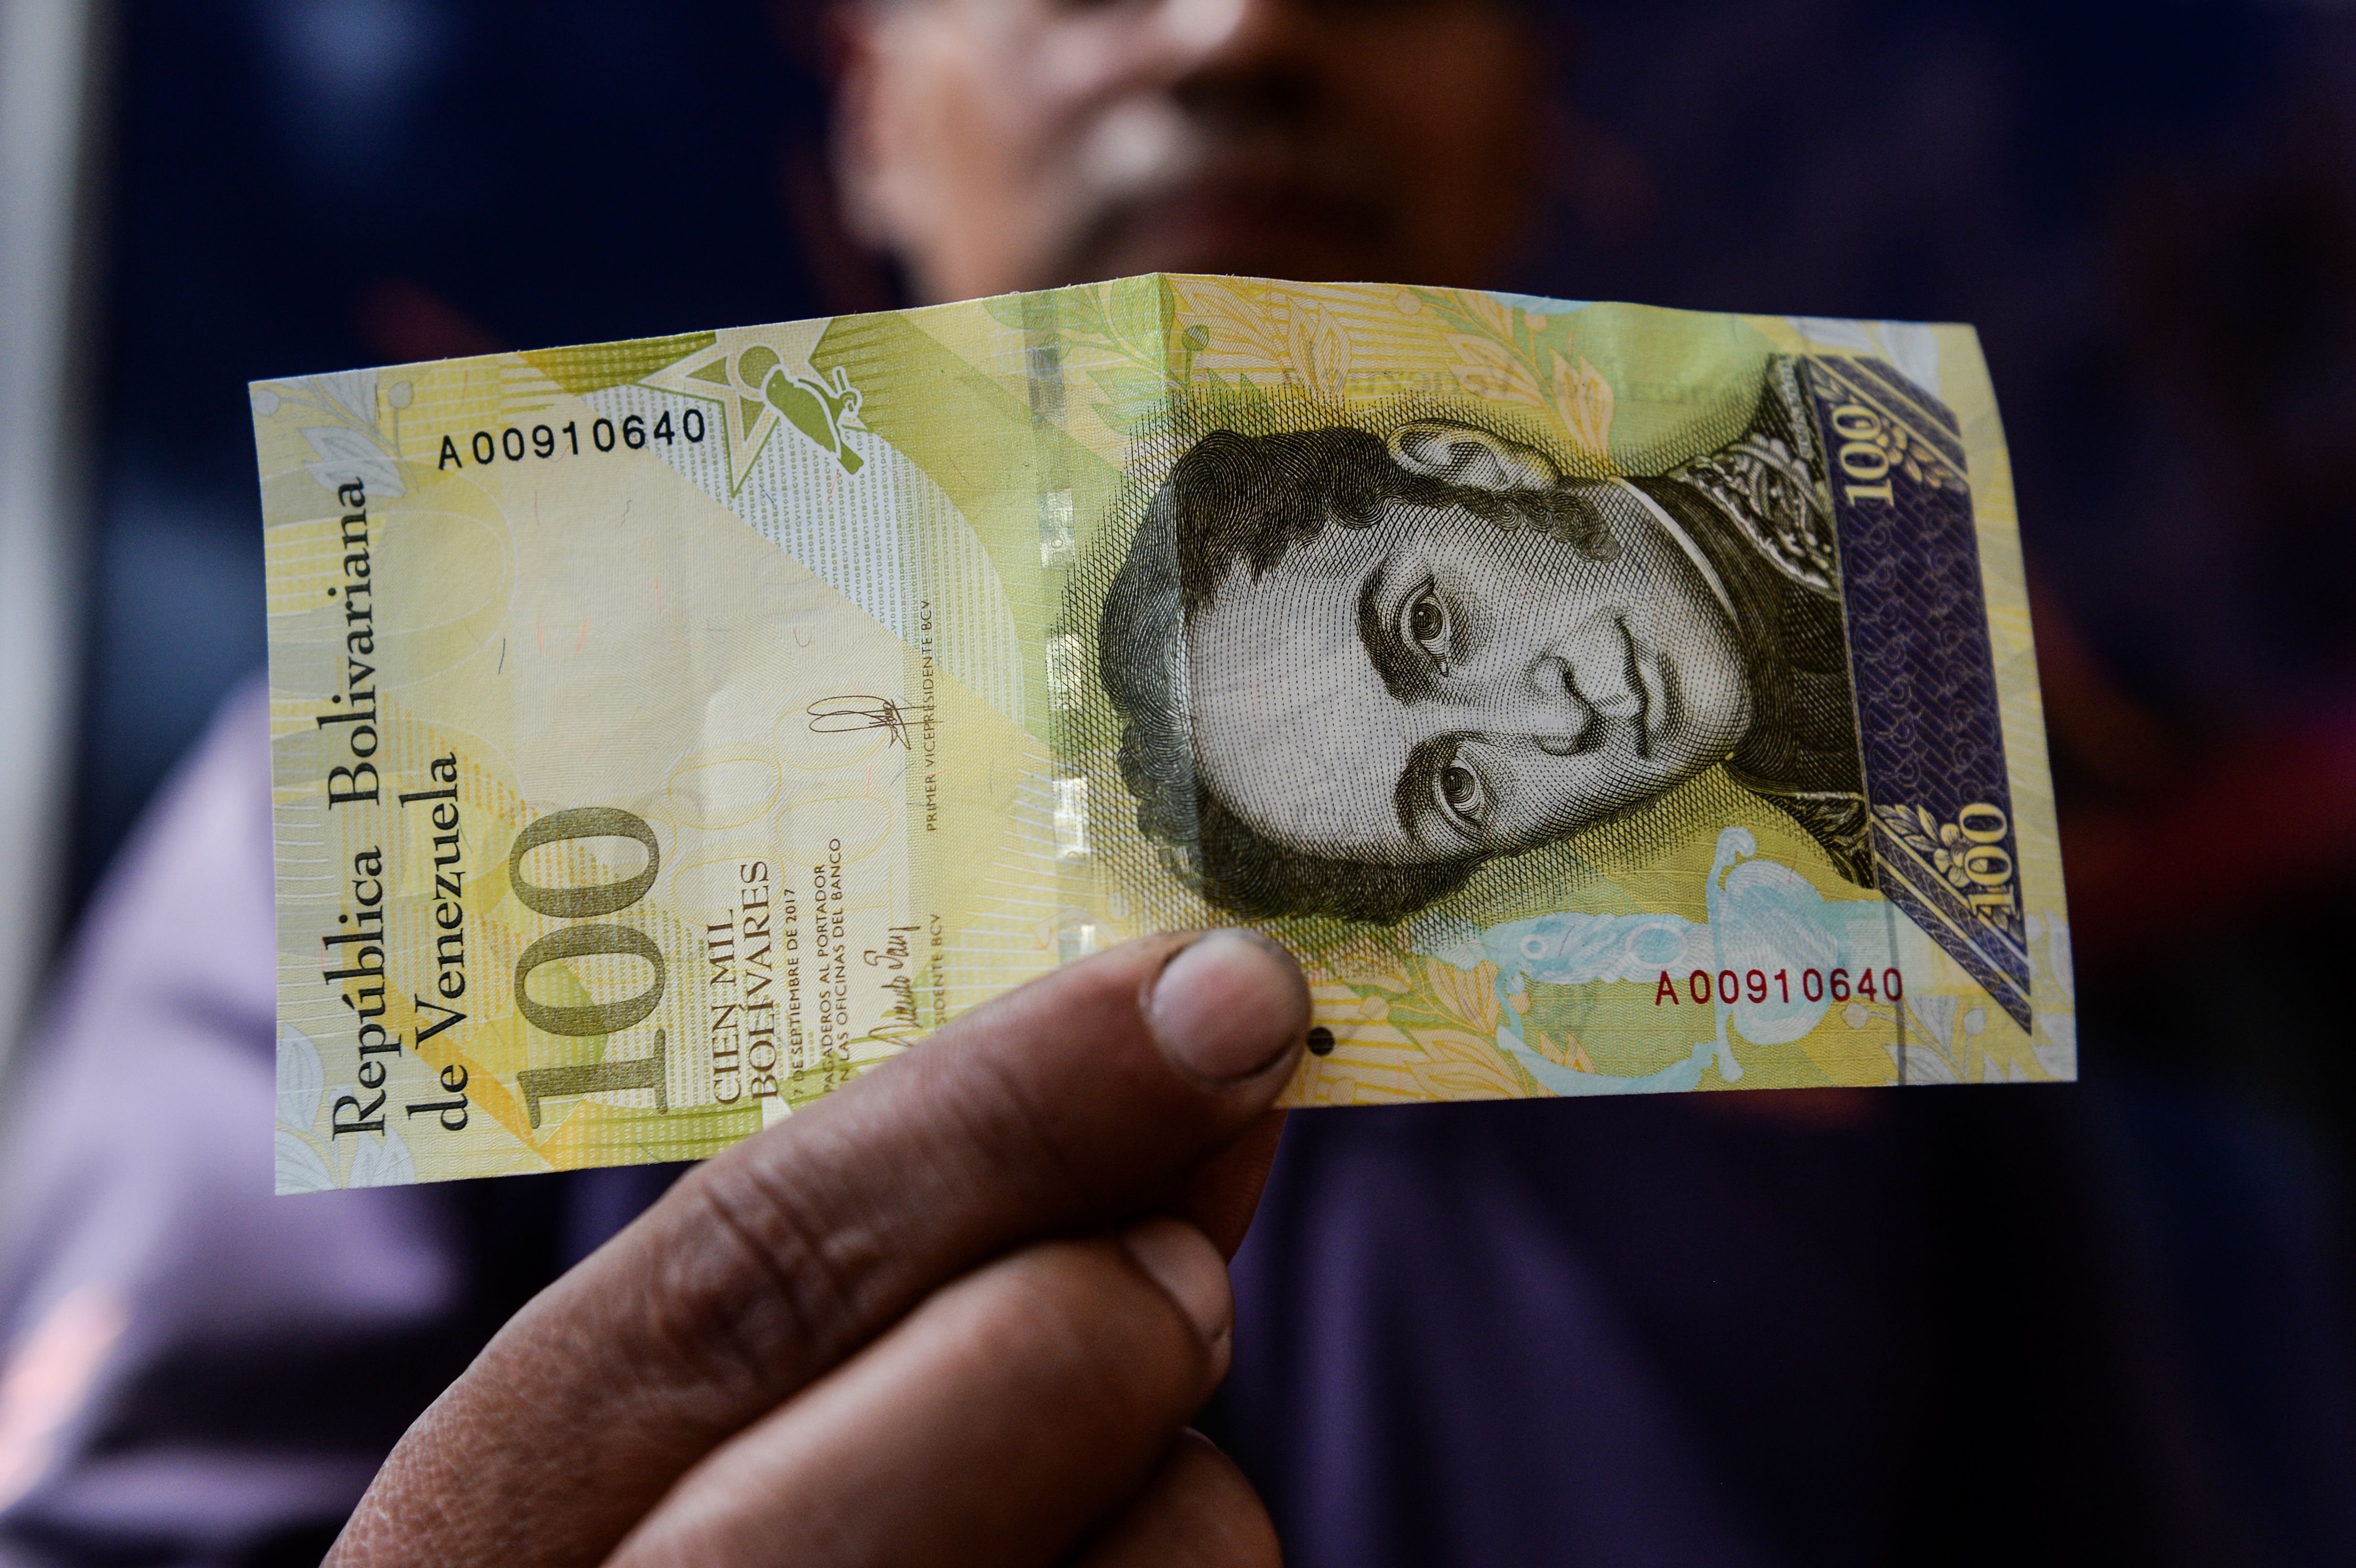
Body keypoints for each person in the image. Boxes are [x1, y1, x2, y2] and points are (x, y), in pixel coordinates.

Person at [4, 2, 2345, 1566]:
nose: (1236, 24)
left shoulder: (1923, 929)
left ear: (1530, 114)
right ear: (873, 111)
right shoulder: (419, 766)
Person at [1100, 359, 1871, 923]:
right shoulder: (1914, 878)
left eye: (1427, 625)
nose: (1558, 724)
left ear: (1470, 466)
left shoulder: (1862, 396)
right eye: (1456, 788)